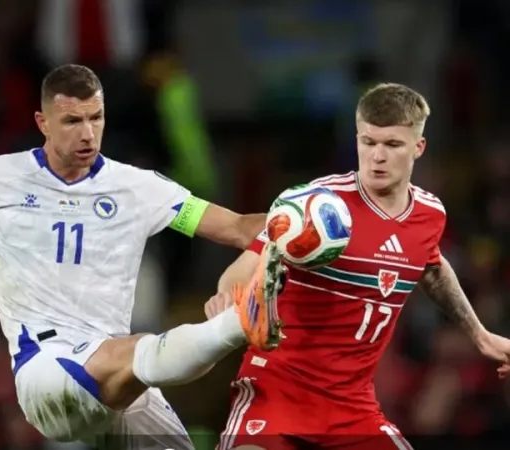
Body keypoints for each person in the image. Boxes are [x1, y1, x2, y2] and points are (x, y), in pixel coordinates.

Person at [0, 64, 286, 450]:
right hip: (45, 371)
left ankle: (237, 324)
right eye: (72, 121)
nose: (88, 133)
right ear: (43, 122)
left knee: (135, 364)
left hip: (116, 376)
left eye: (96, 118)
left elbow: (238, 227)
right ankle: (241, 323)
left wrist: (297, 215)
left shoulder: (138, 187)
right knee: (135, 350)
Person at [206, 83, 510, 450]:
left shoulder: (430, 214)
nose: (377, 156)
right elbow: (244, 266)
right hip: (277, 392)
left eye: (392, 144)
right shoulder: (315, 205)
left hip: (352, 407)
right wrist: (227, 297)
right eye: (368, 142)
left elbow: (431, 267)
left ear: (418, 147)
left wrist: (480, 335)